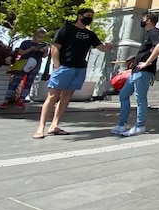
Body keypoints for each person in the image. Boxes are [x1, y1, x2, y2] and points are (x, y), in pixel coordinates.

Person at [33, 8, 112, 139]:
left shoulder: (90, 34)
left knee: (66, 96)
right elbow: (55, 47)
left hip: (79, 68)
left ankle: (54, 125)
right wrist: (57, 65)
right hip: (65, 67)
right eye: (87, 15)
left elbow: (101, 48)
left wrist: (107, 47)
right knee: (52, 96)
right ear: (79, 16)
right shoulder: (66, 30)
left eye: (91, 16)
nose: (90, 18)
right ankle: (40, 127)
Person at [112, 11, 159, 137]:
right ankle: (122, 124)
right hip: (136, 72)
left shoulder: (154, 32)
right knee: (123, 95)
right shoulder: (148, 34)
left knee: (140, 99)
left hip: (143, 72)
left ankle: (140, 126)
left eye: (144, 19)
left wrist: (147, 62)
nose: (142, 20)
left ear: (149, 21)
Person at [0, 28, 49, 109]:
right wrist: (30, 49)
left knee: (29, 82)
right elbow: (20, 52)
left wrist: (45, 51)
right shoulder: (26, 43)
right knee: (16, 80)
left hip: (36, 64)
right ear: (35, 35)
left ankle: (21, 100)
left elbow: (44, 56)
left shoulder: (44, 44)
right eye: (39, 36)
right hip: (24, 62)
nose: (40, 39)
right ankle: (6, 100)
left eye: (42, 37)